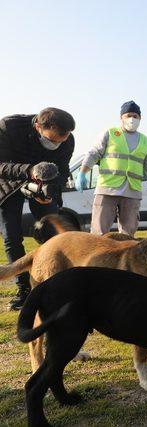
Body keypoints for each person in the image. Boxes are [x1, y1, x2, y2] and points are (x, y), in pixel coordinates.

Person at [0, 108, 76, 310]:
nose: (58, 145)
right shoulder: (9, 128)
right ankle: (24, 290)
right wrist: (30, 171)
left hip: (42, 183)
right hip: (8, 185)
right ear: (38, 127)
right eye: (53, 141)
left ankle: (59, 284)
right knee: (12, 236)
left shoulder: (67, 139)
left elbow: (63, 171)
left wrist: (51, 193)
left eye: (62, 140)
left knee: (54, 232)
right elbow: (1, 165)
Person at [76, 101, 147, 236]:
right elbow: (93, 153)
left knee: (128, 234)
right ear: (121, 117)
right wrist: (82, 173)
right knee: (99, 232)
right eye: (128, 115)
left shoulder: (145, 141)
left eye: (135, 116)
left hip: (132, 191)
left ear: (140, 118)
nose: (132, 119)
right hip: (108, 188)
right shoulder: (109, 133)